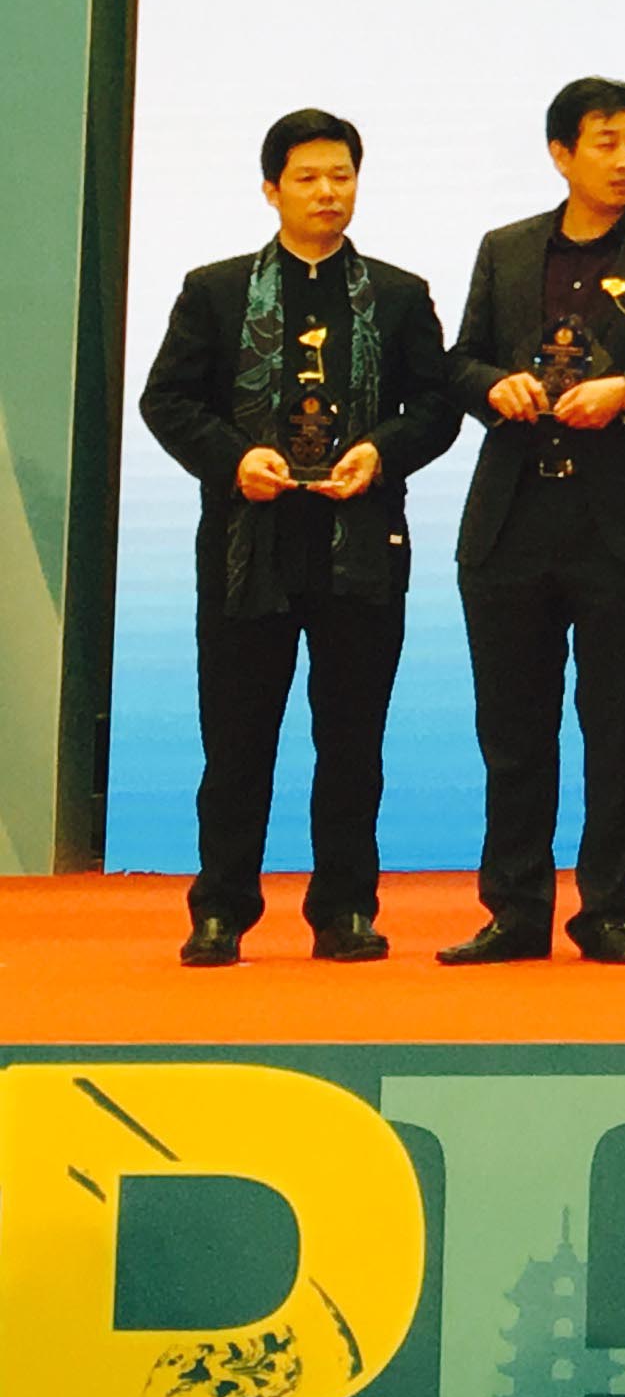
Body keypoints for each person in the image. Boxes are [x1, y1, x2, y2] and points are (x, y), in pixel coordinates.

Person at [437, 77, 625, 966]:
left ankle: (607, 910)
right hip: (512, 520)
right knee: (512, 733)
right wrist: (492, 387)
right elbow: (460, 362)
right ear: (561, 153)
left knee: (615, 730)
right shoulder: (506, 250)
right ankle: (514, 910)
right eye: (606, 142)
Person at [139, 109, 458, 967]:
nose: (327, 193)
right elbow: (166, 401)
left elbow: (436, 407)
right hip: (249, 546)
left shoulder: (398, 294)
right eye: (308, 178)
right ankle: (221, 910)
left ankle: (345, 909)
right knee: (236, 742)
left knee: (351, 743)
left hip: (361, 546)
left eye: (341, 176)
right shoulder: (215, 291)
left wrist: (381, 452)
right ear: (271, 189)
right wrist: (233, 459)